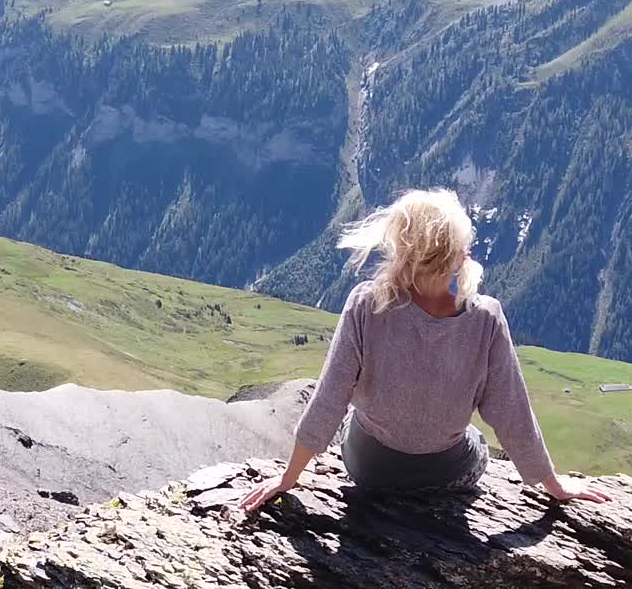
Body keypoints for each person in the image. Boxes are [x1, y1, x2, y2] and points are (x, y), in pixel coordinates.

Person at [239, 189, 610, 513]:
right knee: (475, 440)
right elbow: (513, 414)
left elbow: (329, 398)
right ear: (459, 257)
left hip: (369, 470)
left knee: (355, 421)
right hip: (448, 473)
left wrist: (289, 478)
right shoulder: (486, 318)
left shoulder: (367, 304)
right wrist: (553, 484)